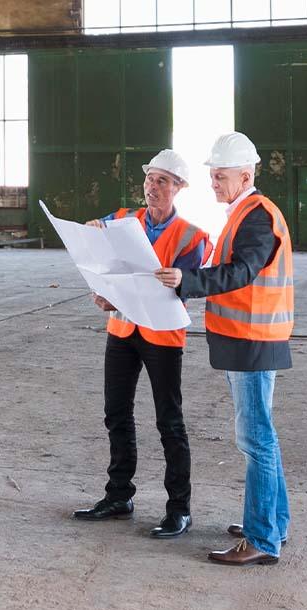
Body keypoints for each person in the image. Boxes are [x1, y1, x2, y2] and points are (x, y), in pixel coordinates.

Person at [154, 132, 294, 565]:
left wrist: (188, 282)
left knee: (256, 441)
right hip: (244, 340)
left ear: (245, 175)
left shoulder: (255, 215)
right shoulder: (241, 212)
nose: (213, 183)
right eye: (212, 176)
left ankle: (261, 540)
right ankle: (274, 523)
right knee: (262, 437)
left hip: (254, 341)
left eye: (220, 176)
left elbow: (242, 271)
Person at [73, 149, 211, 539]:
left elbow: (185, 286)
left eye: (163, 181)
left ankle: (179, 509)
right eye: (151, 179)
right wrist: (103, 292)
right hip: (122, 330)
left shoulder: (190, 237)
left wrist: (170, 282)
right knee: (116, 413)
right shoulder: (120, 220)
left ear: (179, 188)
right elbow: (95, 247)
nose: (153, 187)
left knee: (169, 421)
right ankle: (119, 495)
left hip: (162, 335)